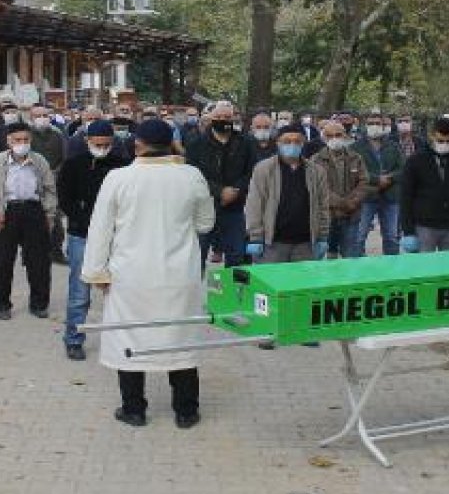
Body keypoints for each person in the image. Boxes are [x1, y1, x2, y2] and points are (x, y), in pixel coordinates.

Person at [81, 119, 215, 428]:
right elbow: (205, 223)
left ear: (138, 144)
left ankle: (134, 409)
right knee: (179, 336)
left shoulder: (118, 178)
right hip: (178, 275)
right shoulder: (191, 175)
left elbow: (100, 229)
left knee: (130, 336)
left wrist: (96, 273)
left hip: (131, 276)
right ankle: (186, 411)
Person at [57, 120, 127, 360]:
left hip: (116, 238)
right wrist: (84, 220)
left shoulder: (121, 165)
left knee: (118, 291)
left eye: (106, 144)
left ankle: (118, 338)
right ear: (87, 141)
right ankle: (74, 338)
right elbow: (64, 199)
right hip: (82, 235)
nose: (102, 148)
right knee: (80, 292)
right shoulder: (73, 165)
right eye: (97, 144)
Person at [0, 122, 58, 320]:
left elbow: (49, 191)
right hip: (5, 213)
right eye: (17, 140)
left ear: (31, 140)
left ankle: (39, 304)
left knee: (39, 263)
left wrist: (49, 214)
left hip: (34, 212)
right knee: (0, 262)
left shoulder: (40, 162)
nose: (22, 143)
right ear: (9, 141)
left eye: (26, 140)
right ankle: (1, 304)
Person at [245, 124, 331, 263]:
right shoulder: (264, 169)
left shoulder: (316, 171)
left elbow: (323, 206)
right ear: (278, 143)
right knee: (273, 283)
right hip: (273, 243)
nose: (292, 145)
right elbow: (254, 204)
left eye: (297, 141)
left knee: (303, 284)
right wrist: (255, 237)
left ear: (303, 143)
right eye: (287, 141)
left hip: (306, 243)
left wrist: (322, 236)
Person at [185, 103, 254, 267]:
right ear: (211, 118)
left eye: (227, 117)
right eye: (218, 117)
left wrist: (235, 190)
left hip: (235, 208)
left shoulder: (245, 142)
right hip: (205, 206)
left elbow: (251, 171)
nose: (223, 120)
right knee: (197, 256)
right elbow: (193, 174)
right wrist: (219, 191)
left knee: (237, 257)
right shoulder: (196, 143)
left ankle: (233, 291)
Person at [400, 118, 449, 252]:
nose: (445, 144)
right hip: (424, 226)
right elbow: (406, 197)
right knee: (424, 270)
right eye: (440, 141)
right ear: (432, 136)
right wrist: (408, 231)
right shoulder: (415, 161)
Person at [312, 120, 369, 257]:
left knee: (350, 255)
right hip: (326, 217)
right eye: (330, 136)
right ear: (324, 138)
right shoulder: (316, 160)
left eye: (338, 135)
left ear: (345, 136)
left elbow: (364, 182)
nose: (334, 139)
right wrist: (343, 203)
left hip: (352, 215)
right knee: (325, 254)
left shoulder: (356, 158)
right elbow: (318, 188)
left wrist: (353, 201)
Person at [353, 112, 404, 255]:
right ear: (365, 125)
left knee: (392, 237)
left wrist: (389, 178)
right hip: (366, 197)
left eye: (377, 123)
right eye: (371, 123)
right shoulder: (356, 147)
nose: (374, 126)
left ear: (383, 126)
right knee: (359, 236)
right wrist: (377, 179)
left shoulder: (393, 146)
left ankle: (391, 270)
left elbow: (403, 169)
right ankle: (357, 270)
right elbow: (355, 171)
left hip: (390, 196)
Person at [27, 104, 68, 264]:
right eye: (38, 116)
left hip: (53, 181)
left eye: (45, 115)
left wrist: (55, 173)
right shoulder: (26, 136)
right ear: (31, 118)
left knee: (55, 219)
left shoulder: (58, 135)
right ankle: (30, 253)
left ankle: (56, 251)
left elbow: (64, 158)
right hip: (31, 182)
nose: (42, 119)